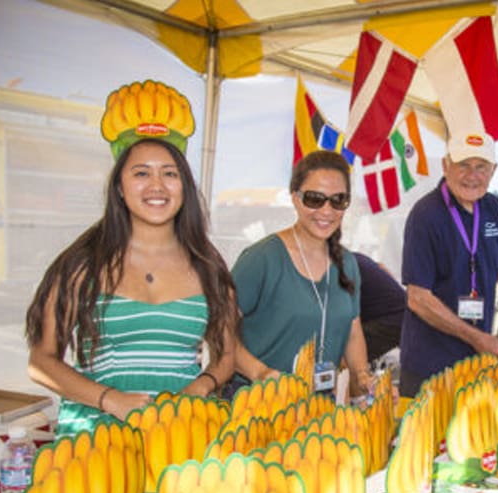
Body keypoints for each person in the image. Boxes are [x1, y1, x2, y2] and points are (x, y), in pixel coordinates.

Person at [26, 80, 237, 436]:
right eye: (141, 173)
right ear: (120, 188)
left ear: (183, 186)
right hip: (95, 440)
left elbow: (226, 356)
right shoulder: (82, 265)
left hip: (179, 436)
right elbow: (41, 361)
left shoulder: (208, 266)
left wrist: (199, 387)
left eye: (169, 174)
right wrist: (111, 400)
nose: (157, 185)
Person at [399, 131, 498, 397]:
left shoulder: (495, 209)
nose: (472, 175)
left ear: (493, 170)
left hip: (476, 363)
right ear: (446, 165)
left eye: (481, 167)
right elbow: (418, 298)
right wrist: (475, 337)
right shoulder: (425, 215)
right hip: (429, 366)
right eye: (464, 165)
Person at [228, 150, 372, 398]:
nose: (327, 210)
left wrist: (366, 383)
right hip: (258, 411)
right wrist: (261, 374)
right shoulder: (261, 258)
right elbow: (220, 330)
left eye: (338, 200)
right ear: (295, 198)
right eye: (315, 199)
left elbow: (352, 333)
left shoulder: (347, 264)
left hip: (317, 417)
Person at [353, 251, 406, 364]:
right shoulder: (355, 257)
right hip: (401, 312)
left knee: (348, 352)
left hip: (391, 319)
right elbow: (381, 266)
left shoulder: (339, 265)